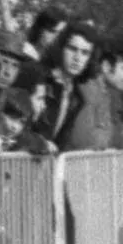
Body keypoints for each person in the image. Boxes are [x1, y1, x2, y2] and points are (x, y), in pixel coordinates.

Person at [33, 19, 96, 149]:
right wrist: (39, 143)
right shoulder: (40, 78)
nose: (78, 58)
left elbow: (60, 142)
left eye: (85, 53)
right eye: (73, 49)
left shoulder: (78, 97)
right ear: (61, 48)